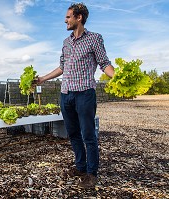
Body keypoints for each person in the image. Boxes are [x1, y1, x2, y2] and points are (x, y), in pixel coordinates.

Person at [36, 2, 115, 189]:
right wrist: (42, 79)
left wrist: (119, 78)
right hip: (66, 94)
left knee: (88, 134)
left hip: (85, 93)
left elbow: (104, 63)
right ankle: (80, 167)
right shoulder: (66, 42)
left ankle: (91, 173)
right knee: (72, 133)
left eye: (68, 17)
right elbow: (62, 67)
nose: (65, 20)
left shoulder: (95, 38)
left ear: (79, 18)